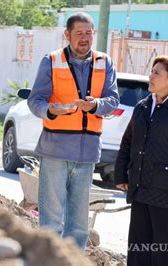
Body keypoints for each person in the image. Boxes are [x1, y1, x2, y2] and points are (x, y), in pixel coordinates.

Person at [27, 12, 119, 249]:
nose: (84, 38)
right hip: (55, 150)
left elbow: (112, 99)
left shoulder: (104, 62)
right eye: (79, 33)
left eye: (89, 33)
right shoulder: (51, 60)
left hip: (86, 154)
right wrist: (51, 110)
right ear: (67, 35)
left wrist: (95, 105)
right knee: (51, 220)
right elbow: (35, 101)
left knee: (78, 225)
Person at [114, 55, 168, 266]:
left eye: (157, 73)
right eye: (151, 71)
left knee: (165, 249)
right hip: (140, 187)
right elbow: (128, 142)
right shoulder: (142, 107)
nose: (150, 76)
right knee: (138, 247)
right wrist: (120, 174)